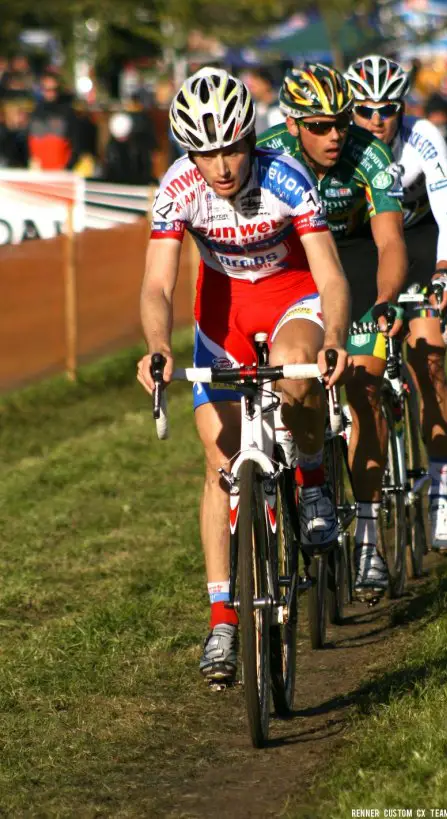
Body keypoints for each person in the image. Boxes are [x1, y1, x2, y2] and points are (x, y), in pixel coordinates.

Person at [136, 68, 350, 684]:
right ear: (188, 153)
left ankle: (311, 479)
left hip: (293, 298)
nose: (222, 166)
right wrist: (157, 345)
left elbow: (331, 275)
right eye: (205, 153)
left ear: (250, 138)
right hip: (223, 313)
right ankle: (223, 621)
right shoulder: (178, 187)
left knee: (298, 378)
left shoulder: (286, 176)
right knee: (219, 459)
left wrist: (334, 337)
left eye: (231, 147)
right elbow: (157, 282)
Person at [257, 63, 409, 597]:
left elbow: (389, 242)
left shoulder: (369, 155)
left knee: (363, 386)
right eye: (320, 125)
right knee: (285, 385)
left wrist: (387, 300)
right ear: (294, 123)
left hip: (358, 262)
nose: (336, 134)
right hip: (296, 272)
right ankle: (290, 484)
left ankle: (369, 542)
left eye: (342, 122)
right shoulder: (269, 152)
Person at [344, 54, 447, 553]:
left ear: (402, 107)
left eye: (387, 109)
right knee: (361, 378)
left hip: (417, 244)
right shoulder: (341, 148)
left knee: (429, 353)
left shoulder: (423, 139)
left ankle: (440, 493)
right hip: (367, 245)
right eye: (366, 110)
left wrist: (444, 271)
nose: (377, 119)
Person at [28, 71, 79, 171]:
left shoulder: (68, 112)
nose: (50, 93)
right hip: (38, 173)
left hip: (61, 173)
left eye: (54, 89)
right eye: (47, 89)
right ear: (42, 90)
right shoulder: (36, 113)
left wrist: (67, 167)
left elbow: (76, 144)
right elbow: (29, 140)